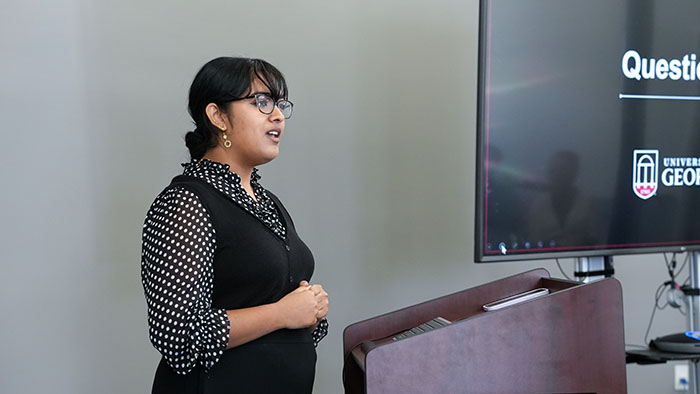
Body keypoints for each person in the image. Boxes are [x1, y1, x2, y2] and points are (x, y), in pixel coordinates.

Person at [140, 57, 329, 394]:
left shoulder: (265, 200)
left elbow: (268, 294)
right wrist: (283, 313)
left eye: (280, 103)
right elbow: (178, 336)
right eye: (261, 102)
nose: (277, 115)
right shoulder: (184, 203)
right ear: (218, 116)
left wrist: (309, 307)